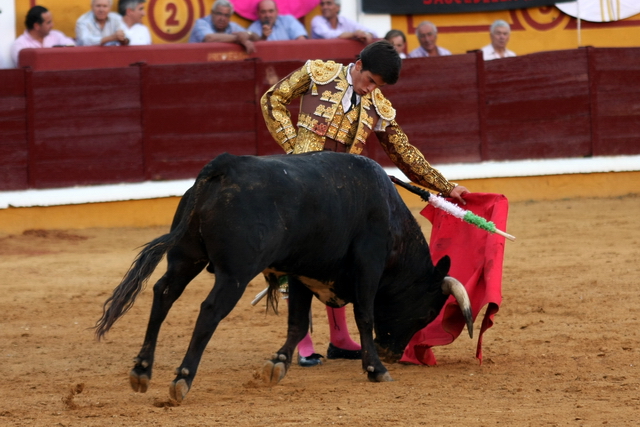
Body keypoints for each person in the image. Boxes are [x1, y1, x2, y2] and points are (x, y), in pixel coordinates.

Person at [261, 40, 470, 367]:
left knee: (341, 261)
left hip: (340, 196)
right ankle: (301, 342)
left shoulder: (377, 105)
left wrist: (445, 186)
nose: (370, 89)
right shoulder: (318, 73)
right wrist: (294, 150)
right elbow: (272, 98)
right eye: (370, 81)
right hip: (299, 184)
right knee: (294, 258)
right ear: (358, 65)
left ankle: (339, 339)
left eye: (378, 86)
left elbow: (403, 152)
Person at [10, 6, 75, 68]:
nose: (52, 25)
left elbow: (72, 49)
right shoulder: (19, 45)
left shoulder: (57, 35)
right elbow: (26, 68)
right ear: (36, 26)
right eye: (48, 22)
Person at [189, 0, 257, 53]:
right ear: (212, 13)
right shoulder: (201, 23)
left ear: (229, 17)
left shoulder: (231, 26)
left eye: (226, 15)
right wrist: (238, 38)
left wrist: (248, 34)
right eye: (219, 14)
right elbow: (209, 38)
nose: (222, 19)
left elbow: (257, 37)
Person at [311, 0, 376, 44]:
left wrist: (366, 34)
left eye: (329, 3)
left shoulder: (345, 20)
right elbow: (328, 34)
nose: (324, 7)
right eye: (322, 4)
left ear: (338, 7)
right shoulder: (317, 20)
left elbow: (373, 32)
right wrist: (354, 34)